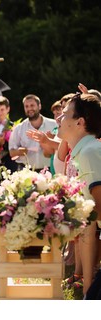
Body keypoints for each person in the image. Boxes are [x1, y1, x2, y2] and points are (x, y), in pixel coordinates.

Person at [56, 93, 101, 298]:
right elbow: (91, 225)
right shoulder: (84, 151)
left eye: (65, 114)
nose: (59, 118)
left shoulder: (90, 152)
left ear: (80, 122)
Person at [9, 94, 56, 171]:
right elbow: (11, 152)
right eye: (26, 106)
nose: (29, 108)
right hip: (26, 172)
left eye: (32, 105)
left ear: (39, 106)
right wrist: (19, 151)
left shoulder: (53, 125)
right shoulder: (19, 128)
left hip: (49, 170)